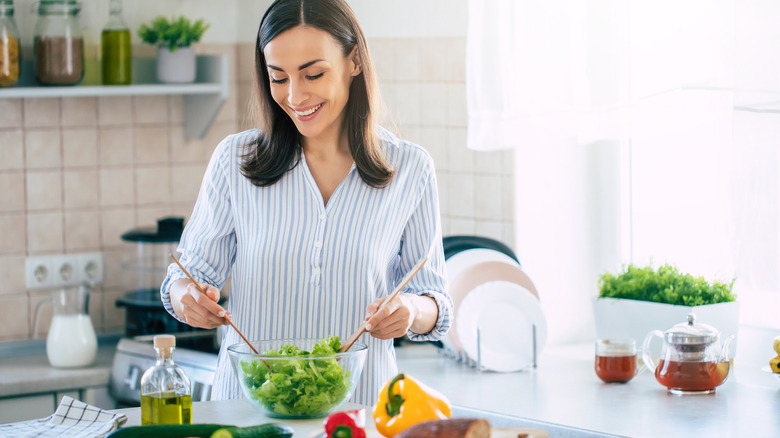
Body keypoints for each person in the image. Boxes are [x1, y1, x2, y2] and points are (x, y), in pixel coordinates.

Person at [160, 0, 452, 405]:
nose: (295, 96)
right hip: (248, 415)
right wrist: (186, 298)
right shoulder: (235, 160)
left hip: (357, 416)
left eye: (313, 74)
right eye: (278, 78)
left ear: (354, 62)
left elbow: (436, 302)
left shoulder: (411, 169)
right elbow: (186, 276)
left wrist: (410, 310)